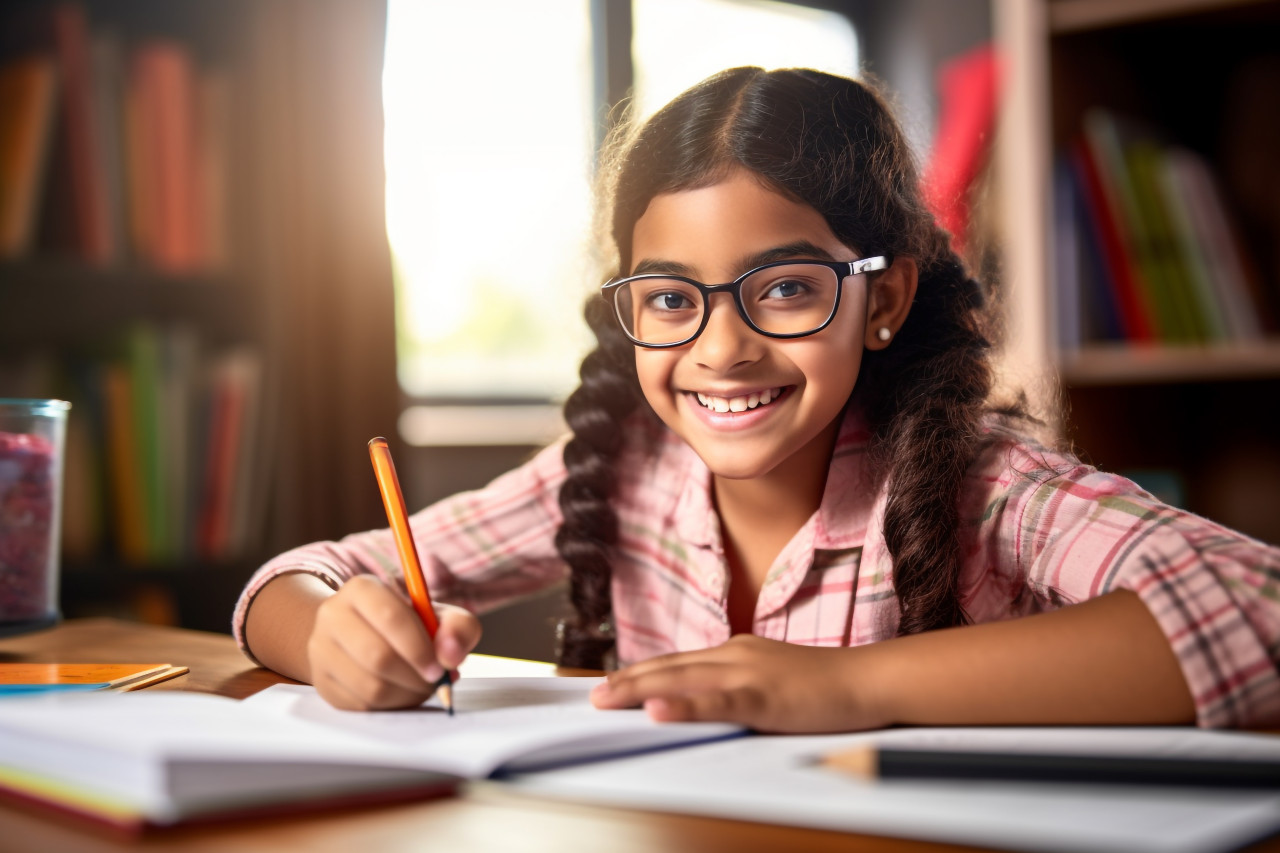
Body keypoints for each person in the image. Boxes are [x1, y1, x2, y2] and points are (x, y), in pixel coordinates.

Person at [235, 67, 1280, 732]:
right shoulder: (617, 473)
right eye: (670, 298)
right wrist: (333, 634)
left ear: (882, 299)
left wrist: (846, 688)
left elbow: (1259, 609)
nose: (722, 348)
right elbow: (292, 580)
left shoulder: (982, 483)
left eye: (782, 288)